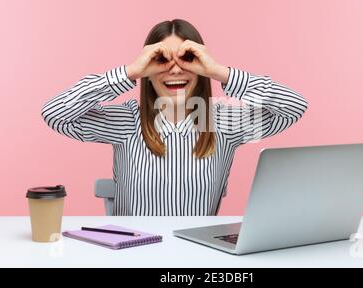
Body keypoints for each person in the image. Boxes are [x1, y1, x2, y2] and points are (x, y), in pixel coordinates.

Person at [42, 19, 308, 216]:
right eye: (161, 60)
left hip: (198, 257)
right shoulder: (127, 122)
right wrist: (130, 72)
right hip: (136, 256)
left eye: (188, 58)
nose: (175, 70)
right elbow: (55, 114)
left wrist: (219, 71)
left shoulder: (221, 122)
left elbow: (294, 106)